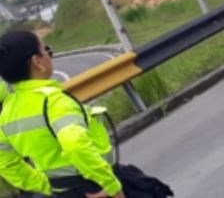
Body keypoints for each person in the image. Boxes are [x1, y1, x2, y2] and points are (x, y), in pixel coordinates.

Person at [0, 30, 172, 198]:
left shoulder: (7, 114)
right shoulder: (54, 102)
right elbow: (74, 143)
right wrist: (111, 186)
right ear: (37, 62)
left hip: (63, 192)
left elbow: (6, 163)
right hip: (96, 186)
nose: (49, 56)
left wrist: (47, 187)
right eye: (47, 50)